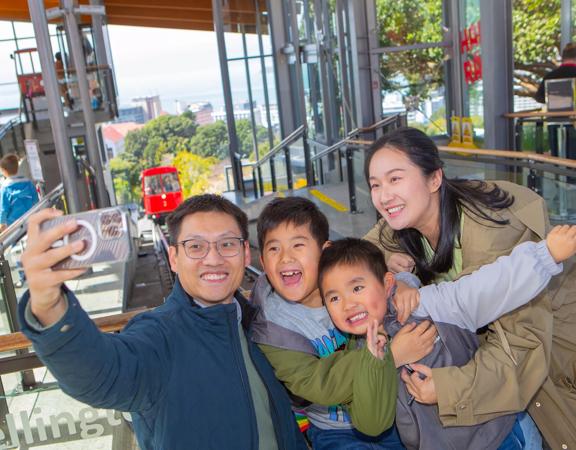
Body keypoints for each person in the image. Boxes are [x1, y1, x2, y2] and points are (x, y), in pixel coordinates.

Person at [18, 194, 307, 450]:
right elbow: (101, 375)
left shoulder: (261, 324)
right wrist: (50, 305)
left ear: (245, 254)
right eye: (195, 246)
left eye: (227, 244)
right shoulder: (158, 337)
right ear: (174, 258)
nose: (213, 258)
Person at [363, 127, 576, 448]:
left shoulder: (494, 233)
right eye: (375, 185)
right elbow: (359, 254)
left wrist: (448, 390)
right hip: (500, 370)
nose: (383, 195)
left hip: (555, 362)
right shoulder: (402, 226)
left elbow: (521, 343)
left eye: (395, 179)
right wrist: (389, 266)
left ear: (434, 179)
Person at [317, 226, 575, 450]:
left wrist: (545, 256)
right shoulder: (358, 352)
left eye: (357, 288)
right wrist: (381, 362)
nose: (348, 304)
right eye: (334, 298)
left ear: (387, 285)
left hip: (497, 437)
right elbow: (372, 423)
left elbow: (488, 288)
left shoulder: (422, 306)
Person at [251, 197, 436, 449]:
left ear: (324, 250)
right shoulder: (272, 326)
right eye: (274, 248)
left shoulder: (344, 280)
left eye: (298, 245)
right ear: (262, 262)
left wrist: (404, 283)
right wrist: (391, 355)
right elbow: (316, 383)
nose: (285, 258)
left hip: (393, 409)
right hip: (335, 431)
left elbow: (380, 278)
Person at [0, 154, 38, 233]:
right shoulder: (28, 183)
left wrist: (2, 223)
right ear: (17, 167)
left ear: (3, 171)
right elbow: (36, 200)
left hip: (14, 226)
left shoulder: (5, 188)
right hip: (30, 220)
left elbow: (4, 209)